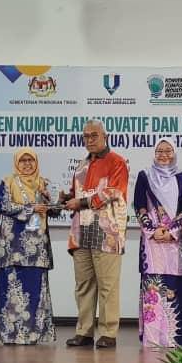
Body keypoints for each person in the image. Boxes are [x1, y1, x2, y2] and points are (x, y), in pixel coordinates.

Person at [62, 119, 130, 348]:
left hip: (107, 232)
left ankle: (109, 332)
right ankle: (84, 331)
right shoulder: (81, 165)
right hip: (81, 232)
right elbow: (76, 193)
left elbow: (112, 192)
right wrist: (66, 198)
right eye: (86, 136)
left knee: (107, 285)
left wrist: (80, 202)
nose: (89, 140)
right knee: (83, 284)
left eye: (94, 135)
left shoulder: (117, 162)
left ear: (105, 137)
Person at [133, 138, 182, 348]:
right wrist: (153, 231)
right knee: (153, 287)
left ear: (174, 153)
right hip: (152, 242)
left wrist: (172, 232)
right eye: (159, 151)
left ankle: (176, 339)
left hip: (174, 242)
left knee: (175, 284)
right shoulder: (144, 176)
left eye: (168, 151)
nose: (163, 155)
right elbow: (139, 206)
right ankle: (154, 339)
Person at [0, 148, 58, 345]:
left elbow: (54, 211)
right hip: (13, 249)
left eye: (30, 160)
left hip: (37, 250)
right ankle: (9, 334)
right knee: (11, 290)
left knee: (34, 292)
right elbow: (4, 206)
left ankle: (33, 335)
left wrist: (50, 199)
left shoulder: (44, 183)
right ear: (16, 163)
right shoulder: (7, 182)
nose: (27, 164)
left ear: (36, 162)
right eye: (23, 160)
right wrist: (32, 208)